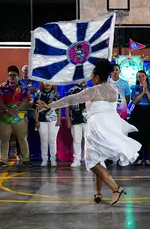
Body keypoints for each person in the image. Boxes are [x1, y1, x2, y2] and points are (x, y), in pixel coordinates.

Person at [36, 60, 141, 206]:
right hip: (110, 125)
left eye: (92, 75)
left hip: (97, 127)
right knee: (98, 159)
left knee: (92, 161)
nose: (91, 78)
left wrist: (50, 106)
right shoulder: (113, 90)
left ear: (97, 77)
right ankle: (97, 192)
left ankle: (115, 188)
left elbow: (71, 99)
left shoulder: (93, 90)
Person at [0, 66, 30, 168]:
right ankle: (2, 160)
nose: (12, 77)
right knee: (4, 139)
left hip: (20, 117)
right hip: (5, 118)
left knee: (22, 139)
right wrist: (8, 110)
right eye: (10, 75)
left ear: (18, 76)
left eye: (14, 75)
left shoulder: (23, 87)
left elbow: (25, 101)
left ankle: (26, 159)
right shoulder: (2, 87)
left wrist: (16, 110)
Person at [129, 70, 150, 166]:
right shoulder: (134, 87)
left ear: (146, 77)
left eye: (143, 76)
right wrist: (142, 92)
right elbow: (134, 101)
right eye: (139, 76)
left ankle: (147, 158)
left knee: (148, 135)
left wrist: (146, 90)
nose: (141, 78)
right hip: (137, 112)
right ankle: (139, 158)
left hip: (147, 111)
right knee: (138, 135)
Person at [34, 83, 61, 167]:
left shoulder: (56, 94)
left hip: (53, 120)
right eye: (45, 82)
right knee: (44, 140)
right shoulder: (38, 94)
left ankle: (53, 159)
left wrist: (59, 120)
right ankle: (44, 159)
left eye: (49, 82)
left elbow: (59, 107)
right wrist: (36, 121)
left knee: (52, 140)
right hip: (41, 120)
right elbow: (35, 109)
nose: (47, 84)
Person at [65, 82, 88, 167]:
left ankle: (87, 159)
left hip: (88, 120)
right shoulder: (71, 91)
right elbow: (67, 105)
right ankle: (76, 159)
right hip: (75, 120)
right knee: (76, 140)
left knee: (88, 141)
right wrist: (68, 118)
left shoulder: (90, 90)